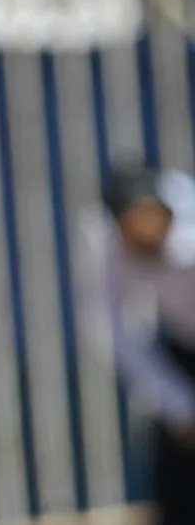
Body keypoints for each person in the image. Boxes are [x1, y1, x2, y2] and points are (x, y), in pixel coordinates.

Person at [80, 162, 195, 525]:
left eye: (152, 219)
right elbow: (110, 329)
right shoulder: (105, 242)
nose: (146, 231)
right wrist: (180, 407)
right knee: (176, 473)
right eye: (134, 225)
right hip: (183, 344)